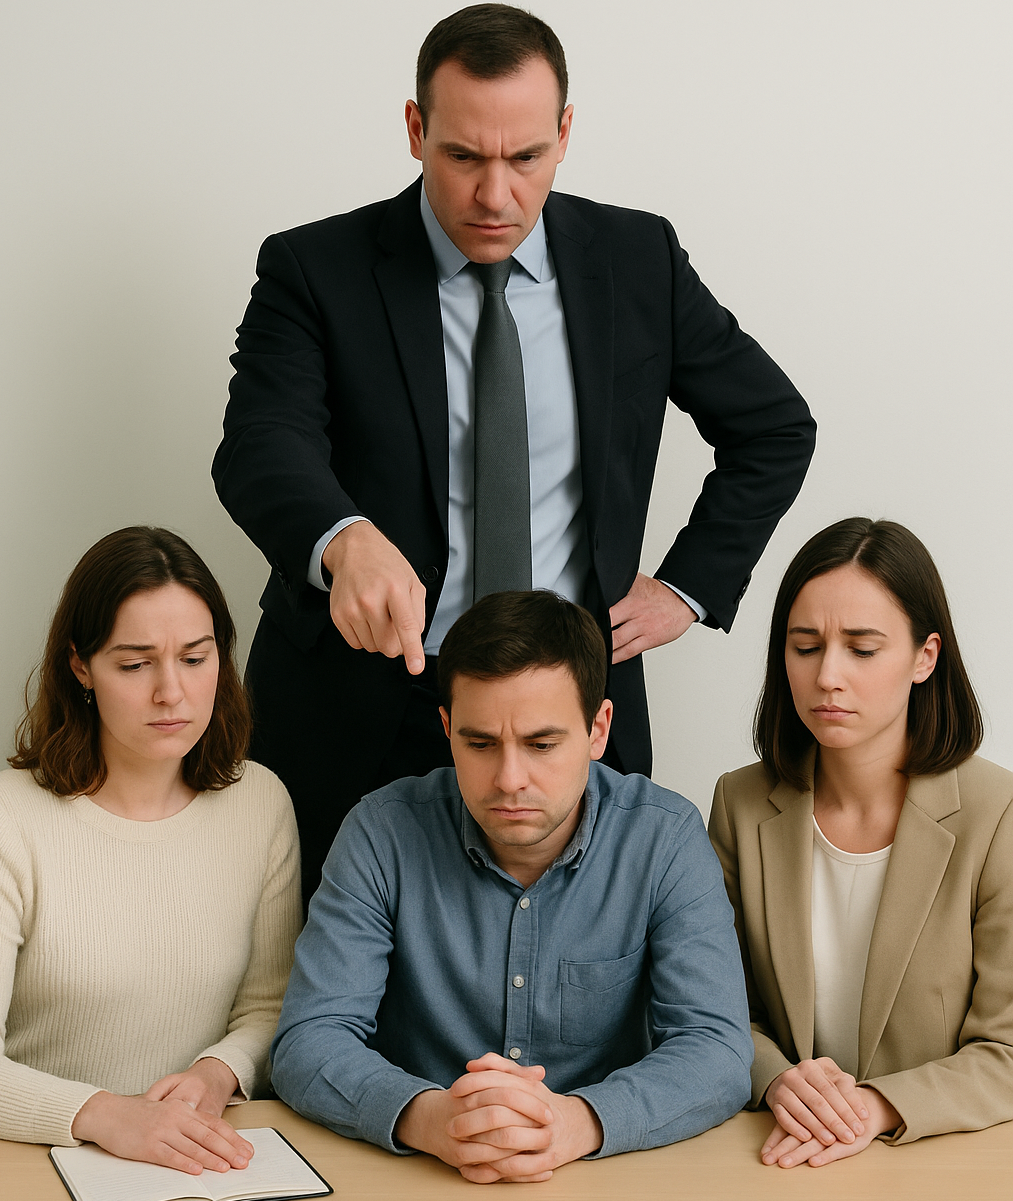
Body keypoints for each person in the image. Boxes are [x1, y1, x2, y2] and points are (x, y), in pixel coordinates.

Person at [211, 3, 817, 902]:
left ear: (565, 134)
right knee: (338, 968)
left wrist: (687, 586)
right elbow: (261, 443)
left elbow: (772, 424)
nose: (494, 196)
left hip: (565, 713)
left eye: (525, 157)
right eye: (463, 157)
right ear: (415, 130)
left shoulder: (638, 258)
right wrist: (343, 539)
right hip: (363, 703)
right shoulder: (313, 268)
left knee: (579, 966)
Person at [271, 589, 752, 1183]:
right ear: (446, 728)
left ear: (598, 729)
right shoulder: (381, 832)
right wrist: (429, 1118)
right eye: (479, 744)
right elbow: (310, 1039)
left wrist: (577, 1122)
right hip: (424, 1175)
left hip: (603, 1176)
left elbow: (717, 1048)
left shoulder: (666, 838)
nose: (509, 779)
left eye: (541, 744)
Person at [708, 517, 1013, 1169]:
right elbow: (716, 1011)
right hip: (775, 1157)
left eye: (862, 648)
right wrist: (775, 1079)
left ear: (925, 657)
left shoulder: (998, 813)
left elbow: (1007, 1050)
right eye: (805, 646)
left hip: (937, 1163)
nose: (827, 676)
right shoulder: (738, 803)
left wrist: (874, 1107)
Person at [0, 527, 302, 1174]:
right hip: (35, 1160)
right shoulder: (11, 818)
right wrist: (105, 1114)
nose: (171, 692)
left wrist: (218, 1072)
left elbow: (270, 1006)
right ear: (80, 666)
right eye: (135, 665)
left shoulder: (260, 802)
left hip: (205, 1155)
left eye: (195, 658)